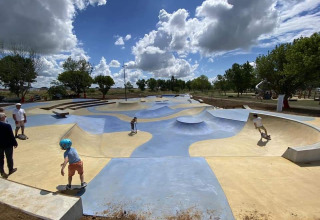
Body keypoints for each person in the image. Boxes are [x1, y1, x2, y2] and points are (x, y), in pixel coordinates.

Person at [0, 113, 18, 178]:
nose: (5, 117)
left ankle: (2, 171)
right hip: (8, 145)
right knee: (9, 157)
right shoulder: (7, 126)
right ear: (2, 118)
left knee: (0, 159)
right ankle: (10, 170)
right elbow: (11, 136)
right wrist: (15, 143)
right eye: (4, 116)